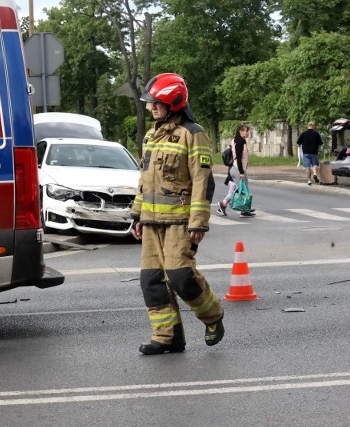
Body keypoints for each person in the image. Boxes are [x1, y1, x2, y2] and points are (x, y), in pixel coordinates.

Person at [131, 73, 225, 355]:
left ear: (173, 101)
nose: (150, 108)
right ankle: (167, 337)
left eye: (155, 102)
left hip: (180, 222)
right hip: (151, 222)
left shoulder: (192, 133)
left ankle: (213, 318)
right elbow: (144, 180)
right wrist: (137, 215)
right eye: (149, 103)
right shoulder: (151, 136)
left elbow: (202, 181)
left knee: (180, 276)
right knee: (151, 282)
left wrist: (198, 222)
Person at [217, 124, 255, 217]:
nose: (247, 133)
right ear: (241, 131)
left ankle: (243, 209)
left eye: (248, 131)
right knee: (241, 190)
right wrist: (241, 172)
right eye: (246, 131)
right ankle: (225, 204)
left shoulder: (238, 140)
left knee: (239, 189)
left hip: (235, 169)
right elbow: (238, 158)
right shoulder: (239, 142)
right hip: (238, 169)